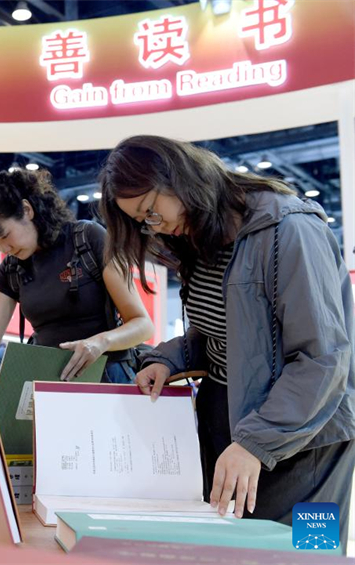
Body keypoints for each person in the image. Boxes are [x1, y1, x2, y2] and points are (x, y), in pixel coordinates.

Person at [98, 135, 355, 548]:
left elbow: (322, 358)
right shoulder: (203, 238)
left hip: (304, 436)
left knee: (307, 552)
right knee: (236, 550)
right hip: (234, 421)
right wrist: (168, 358)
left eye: (151, 210)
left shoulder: (289, 228)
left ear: (178, 177)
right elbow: (224, 332)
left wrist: (257, 441)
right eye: (143, 222)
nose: (154, 225)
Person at [0, 168, 154, 383]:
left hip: (107, 376)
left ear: (27, 210)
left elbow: (143, 325)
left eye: (5, 236)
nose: (3, 249)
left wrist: (101, 342)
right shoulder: (11, 269)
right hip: (50, 383)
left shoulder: (88, 238)